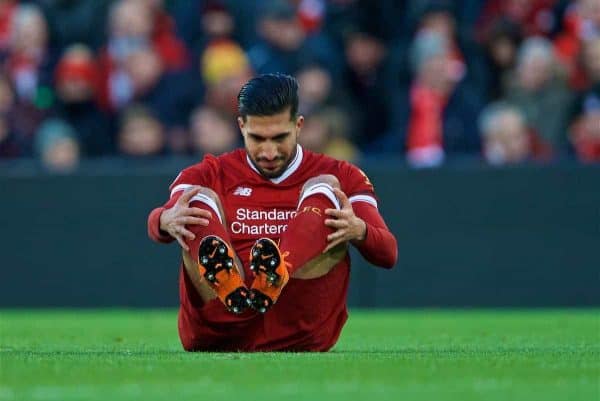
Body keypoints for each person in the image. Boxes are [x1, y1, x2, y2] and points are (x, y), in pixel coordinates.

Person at [147, 73, 397, 352]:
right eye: (257, 138)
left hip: (298, 332)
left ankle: (276, 273)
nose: (268, 151)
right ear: (241, 127)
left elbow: (388, 253)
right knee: (196, 199)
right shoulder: (208, 173)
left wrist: (359, 230)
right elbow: (161, 221)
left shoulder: (343, 174)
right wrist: (162, 220)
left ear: (298, 126)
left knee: (326, 189)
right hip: (220, 330)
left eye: (280, 138)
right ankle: (231, 287)